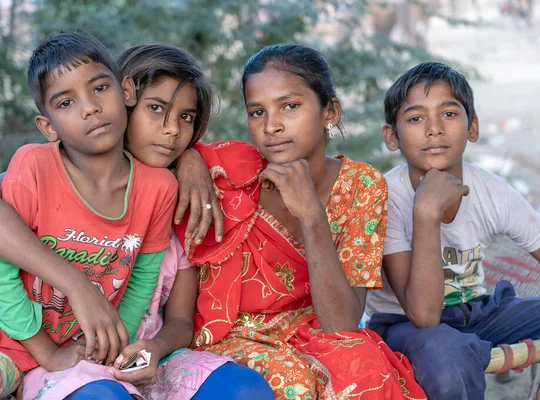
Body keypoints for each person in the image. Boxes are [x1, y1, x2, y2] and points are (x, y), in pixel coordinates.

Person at [0, 42, 273, 399]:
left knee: (243, 389)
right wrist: (76, 291)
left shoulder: (168, 189)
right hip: (42, 342)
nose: (171, 131)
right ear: (130, 98)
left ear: (121, 94)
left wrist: (191, 160)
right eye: (155, 110)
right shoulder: (40, 168)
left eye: (186, 118)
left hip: (130, 348)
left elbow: (167, 308)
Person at [173, 44, 427, 399]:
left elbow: (342, 324)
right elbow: (166, 149)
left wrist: (311, 214)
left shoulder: (362, 186)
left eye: (290, 106)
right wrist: (188, 160)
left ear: (330, 111)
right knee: (293, 382)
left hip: (316, 331)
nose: (272, 126)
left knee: (365, 365)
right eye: (257, 112)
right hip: (231, 337)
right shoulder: (227, 171)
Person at [0, 30, 179, 400]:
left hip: (60, 349)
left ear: (126, 91)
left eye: (100, 88)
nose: (90, 108)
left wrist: (114, 342)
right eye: (66, 103)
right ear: (48, 127)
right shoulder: (34, 166)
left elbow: (141, 280)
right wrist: (48, 352)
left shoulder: (158, 188)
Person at [366, 62, 540, 399]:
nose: (434, 129)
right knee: (446, 358)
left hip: (478, 312)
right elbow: (424, 315)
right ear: (392, 136)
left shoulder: (491, 189)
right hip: (404, 325)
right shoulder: (384, 198)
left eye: (449, 114)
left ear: (472, 127)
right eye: (415, 118)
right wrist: (426, 211)